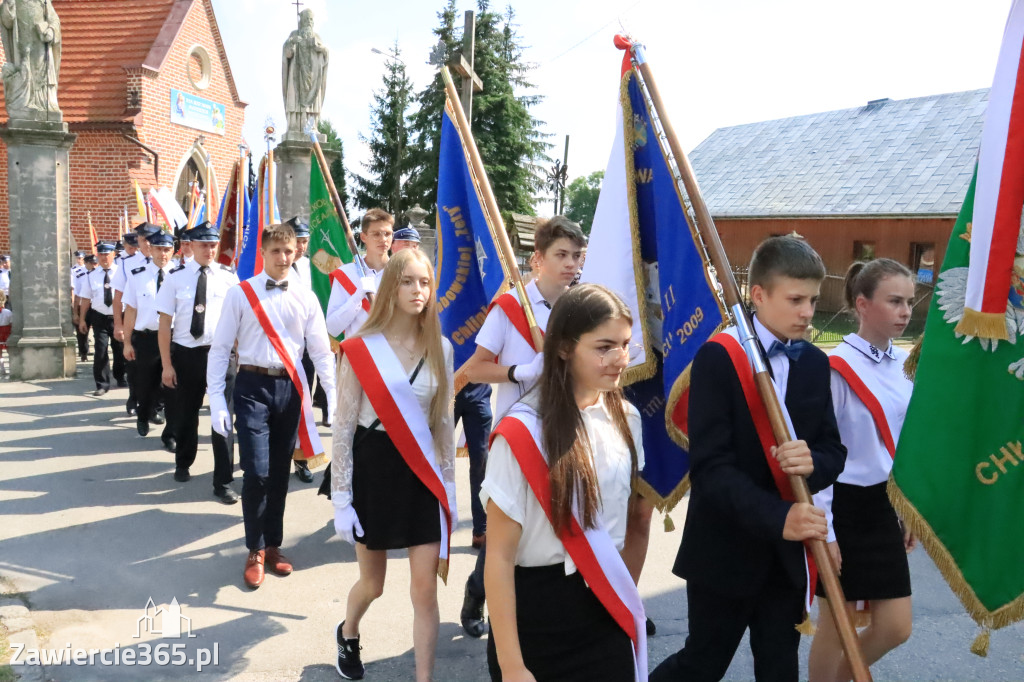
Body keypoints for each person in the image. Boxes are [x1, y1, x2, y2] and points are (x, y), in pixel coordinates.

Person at [650, 235, 847, 682]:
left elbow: (835, 452)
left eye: (813, 300)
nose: (808, 312)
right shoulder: (719, 357)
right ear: (758, 295)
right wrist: (780, 516)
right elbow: (711, 470)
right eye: (795, 299)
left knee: (779, 669)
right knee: (702, 664)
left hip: (786, 557)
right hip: (726, 548)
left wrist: (812, 461)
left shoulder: (816, 363)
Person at [483, 283, 648, 682]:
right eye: (604, 346)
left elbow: (633, 522)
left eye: (625, 344)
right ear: (563, 347)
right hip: (535, 618)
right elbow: (500, 557)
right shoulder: (521, 433)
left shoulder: (628, 419)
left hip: (604, 609)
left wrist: (621, 596)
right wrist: (512, 666)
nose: (619, 359)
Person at [331, 248, 455, 682]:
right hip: (375, 474)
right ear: (391, 287)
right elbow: (343, 428)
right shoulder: (362, 348)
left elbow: (442, 428)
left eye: (424, 282)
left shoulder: (442, 347)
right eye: (407, 281)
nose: (418, 290)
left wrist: (450, 492)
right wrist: (342, 499)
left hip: (421, 477)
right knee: (374, 585)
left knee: (424, 591)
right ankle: (348, 632)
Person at [459, 216, 586, 637]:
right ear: (538, 259)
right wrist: (519, 372)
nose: (571, 264)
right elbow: (474, 369)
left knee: (554, 524)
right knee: (507, 526)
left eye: (576, 255)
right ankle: (479, 591)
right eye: (561, 255)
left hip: (568, 428)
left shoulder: (581, 306)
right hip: (518, 434)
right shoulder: (512, 307)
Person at [208, 221, 336, 588]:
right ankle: (254, 548)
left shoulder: (307, 297)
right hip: (251, 386)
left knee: (280, 472)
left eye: (289, 251)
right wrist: (217, 397)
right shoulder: (240, 294)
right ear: (262, 253)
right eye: (276, 251)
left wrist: (336, 397)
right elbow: (220, 350)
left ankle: (273, 545)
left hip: (291, 389)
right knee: (257, 471)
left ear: (297, 253)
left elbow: (321, 353)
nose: (283, 257)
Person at [807, 259, 916, 682]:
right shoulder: (837, 368)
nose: (905, 311)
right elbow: (820, 455)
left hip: (883, 502)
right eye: (894, 301)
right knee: (838, 625)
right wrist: (826, 530)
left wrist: (907, 507)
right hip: (842, 505)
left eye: (909, 302)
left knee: (895, 626)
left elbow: (905, 442)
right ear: (862, 304)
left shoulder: (903, 363)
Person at [156, 222, 240, 500]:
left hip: (219, 356)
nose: (209, 249)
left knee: (223, 417)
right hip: (186, 355)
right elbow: (165, 323)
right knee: (185, 415)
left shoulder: (229, 278)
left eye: (213, 244)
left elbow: (240, 321)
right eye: (204, 244)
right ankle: (183, 462)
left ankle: (223, 482)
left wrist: (239, 356)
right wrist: (167, 365)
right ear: (191, 245)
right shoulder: (175, 278)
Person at [122, 230, 176, 441]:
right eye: (159, 249)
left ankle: (170, 431)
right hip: (146, 338)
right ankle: (143, 415)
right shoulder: (137, 276)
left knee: (171, 386)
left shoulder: (180, 275)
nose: (163, 254)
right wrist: (127, 342)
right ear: (150, 249)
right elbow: (131, 310)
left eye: (167, 250)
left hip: (173, 339)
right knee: (145, 384)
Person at [325, 208, 393, 340]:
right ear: (363, 237)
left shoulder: (403, 272)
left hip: (394, 353)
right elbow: (332, 328)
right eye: (376, 234)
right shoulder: (346, 274)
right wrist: (357, 297)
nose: (383, 239)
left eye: (387, 233)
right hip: (359, 354)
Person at [78, 242, 126, 396]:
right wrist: (82, 319)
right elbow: (85, 299)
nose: (105, 258)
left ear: (114, 255)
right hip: (99, 316)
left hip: (119, 316)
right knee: (100, 350)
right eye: (102, 254)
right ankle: (102, 383)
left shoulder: (122, 273)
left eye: (108, 254)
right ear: (97, 256)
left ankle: (120, 377)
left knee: (119, 349)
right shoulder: (91, 275)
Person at [72, 253, 95, 362]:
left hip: (96, 307)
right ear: (86, 263)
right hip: (82, 305)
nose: (93, 265)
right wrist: (75, 312)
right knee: (82, 332)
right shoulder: (79, 275)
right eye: (91, 263)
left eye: (95, 263)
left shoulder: (98, 274)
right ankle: (83, 352)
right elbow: (76, 295)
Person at [0, 291, 11, 375]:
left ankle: (2, 368)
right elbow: (12, 322)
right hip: (6, 333)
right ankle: (10, 368)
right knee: (9, 351)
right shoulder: (7, 312)